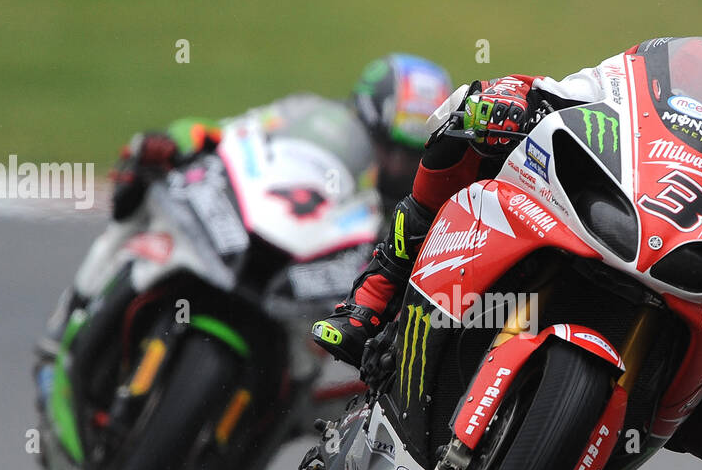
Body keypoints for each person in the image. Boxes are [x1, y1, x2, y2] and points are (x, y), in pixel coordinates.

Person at [311, 1, 702, 470]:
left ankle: (600, 447)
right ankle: (376, 291)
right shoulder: (685, 66)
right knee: (468, 119)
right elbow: (580, 93)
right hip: (628, 215)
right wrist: (515, 98)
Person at [37, 54, 453, 358]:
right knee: (149, 195)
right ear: (361, 120)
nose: (396, 166)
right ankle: (72, 312)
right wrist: (175, 143)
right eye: (388, 149)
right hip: (256, 229)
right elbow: (231, 133)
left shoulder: (419, 217)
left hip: (305, 299)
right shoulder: (313, 123)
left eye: (411, 157)